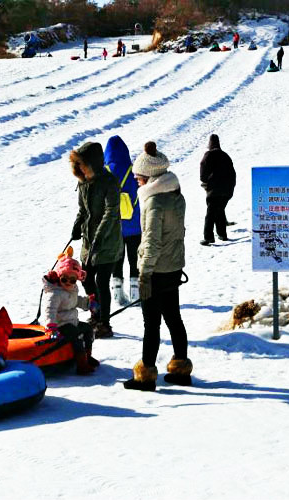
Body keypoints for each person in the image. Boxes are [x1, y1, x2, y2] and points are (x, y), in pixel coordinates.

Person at [123, 141, 192, 391]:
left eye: (139, 177)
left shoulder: (153, 202)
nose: (137, 181)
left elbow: (151, 241)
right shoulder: (176, 195)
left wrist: (144, 273)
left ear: (150, 176)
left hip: (155, 271)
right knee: (174, 317)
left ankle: (146, 376)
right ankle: (181, 368)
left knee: (151, 323)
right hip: (173, 268)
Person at [70, 142, 123, 338]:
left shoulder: (109, 182)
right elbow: (83, 211)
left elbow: (111, 213)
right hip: (88, 241)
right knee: (86, 278)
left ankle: (104, 323)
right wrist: (77, 225)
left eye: (82, 164)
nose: (80, 168)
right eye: (78, 165)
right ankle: (96, 313)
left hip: (108, 241)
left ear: (93, 163)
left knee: (102, 281)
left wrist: (99, 237)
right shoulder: (83, 182)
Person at [42, 246, 99, 375]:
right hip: (59, 325)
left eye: (72, 280)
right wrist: (51, 326)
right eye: (64, 279)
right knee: (76, 336)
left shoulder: (72, 289)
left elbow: (75, 300)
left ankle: (87, 356)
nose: (68, 282)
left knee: (87, 329)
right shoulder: (54, 293)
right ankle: (81, 365)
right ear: (58, 277)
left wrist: (88, 303)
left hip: (71, 321)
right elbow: (49, 310)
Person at [104, 135, 141, 306]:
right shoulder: (132, 170)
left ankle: (117, 294)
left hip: (113, 225)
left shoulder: (104, 173)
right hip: (133, 223)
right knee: (134, 258)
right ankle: (135, 293)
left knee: (117, 259)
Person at [200, 134, 236, 246]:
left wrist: (206, 181)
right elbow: (233, 173)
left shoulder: (209, 154)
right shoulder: (226, 156)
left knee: (210, 213)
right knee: (219, 210)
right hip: (227, 190)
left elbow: (203, 171)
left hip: (214, 190)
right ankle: (222, 234)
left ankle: (208, 238)